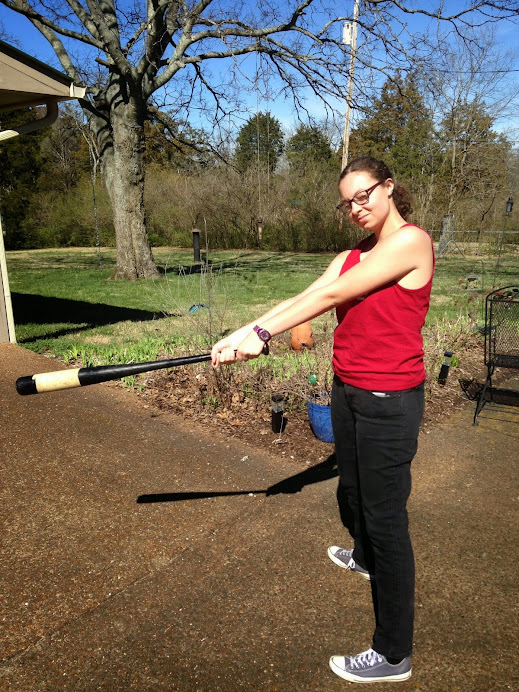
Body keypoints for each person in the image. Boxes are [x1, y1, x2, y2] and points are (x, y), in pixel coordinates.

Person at [211, 156, 435, 684]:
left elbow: (334, 297)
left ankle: (393, 654)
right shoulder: (351, 255)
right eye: (347, 202)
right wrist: (243, 331)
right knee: (352, 491)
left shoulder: (412, 243)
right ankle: (362, 556)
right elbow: (308, 296)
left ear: (389, 188)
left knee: (387, 520)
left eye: (364, 196)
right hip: (349, 390)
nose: (356, 208)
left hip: (389, 400)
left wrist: (262, 338)